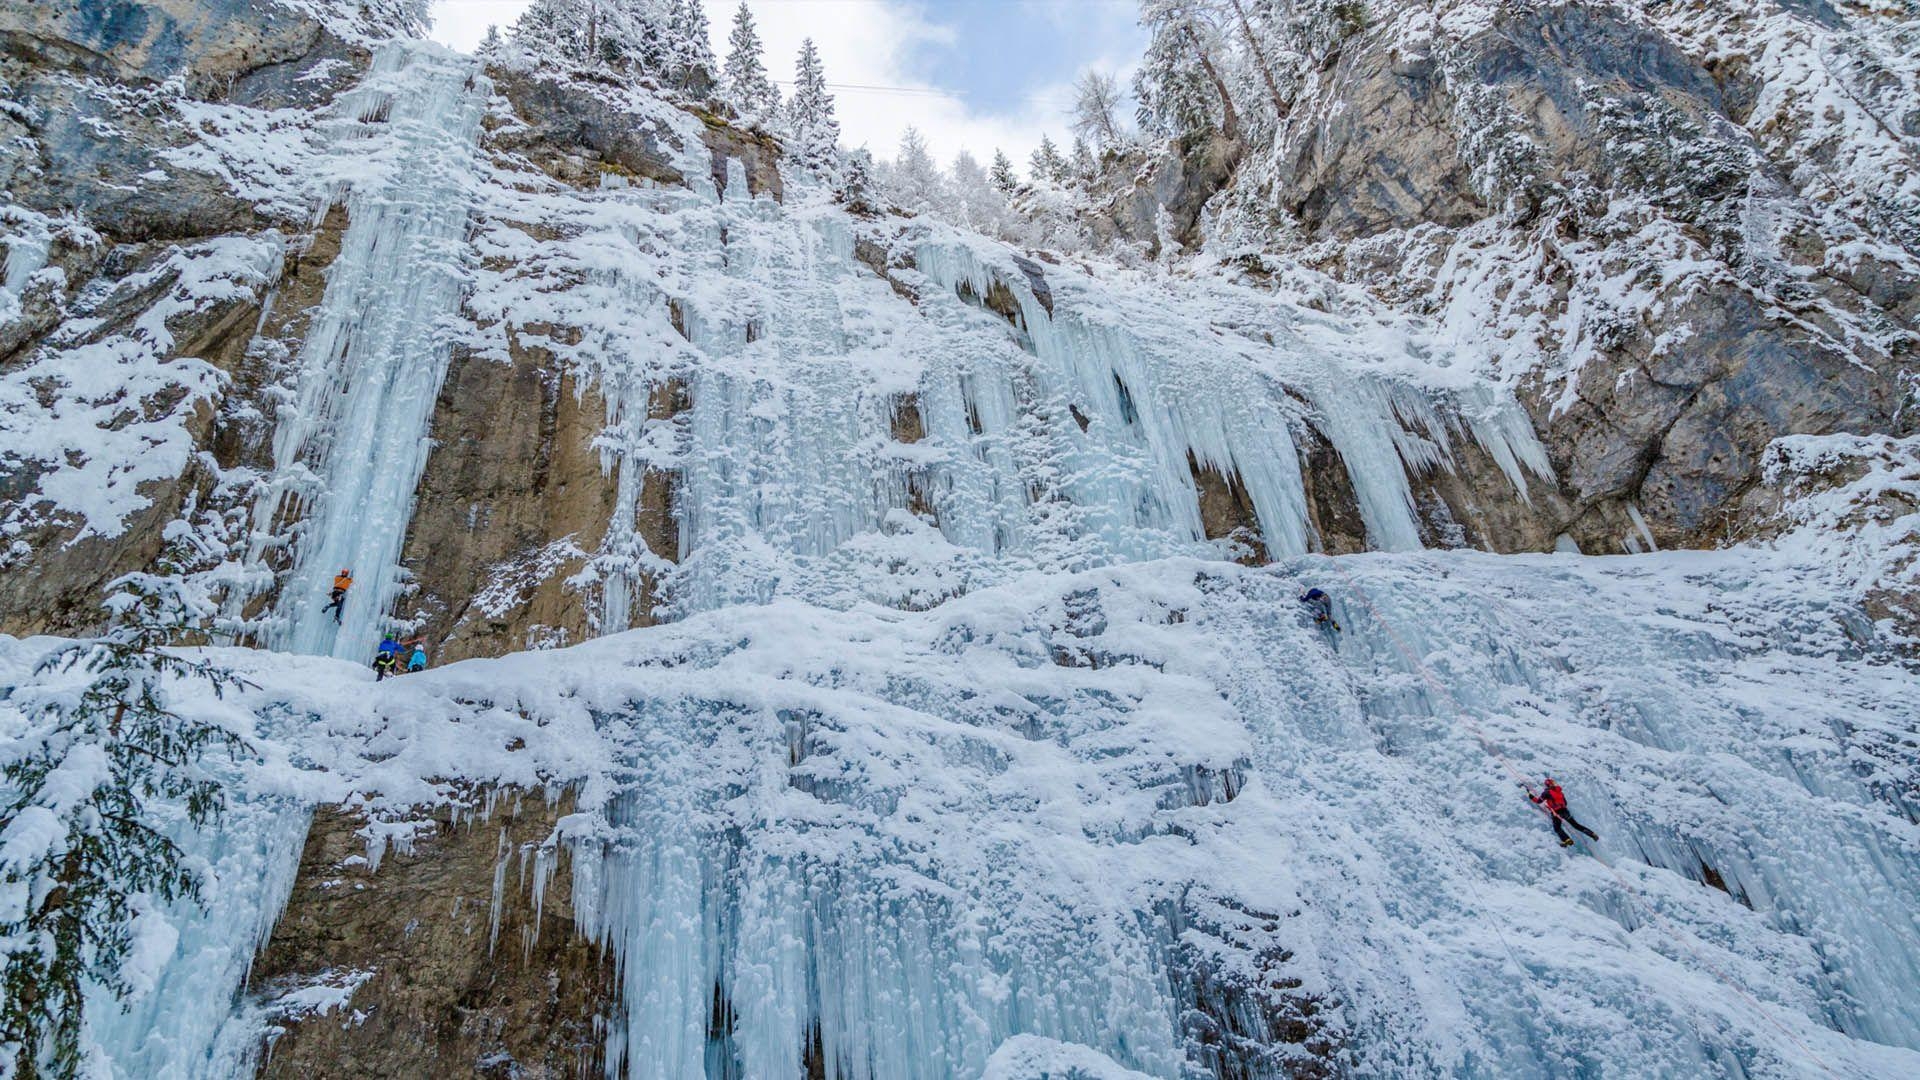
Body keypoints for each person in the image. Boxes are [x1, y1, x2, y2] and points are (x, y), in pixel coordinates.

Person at [1530, 777, 1600, 847]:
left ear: (1547, 785)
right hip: (1565, 811)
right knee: (1576, 825)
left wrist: (1530, 796)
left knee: (1557, 828)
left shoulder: (1546, 793)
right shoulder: (1560, 792)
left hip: (1557, 812)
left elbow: (1539, 801)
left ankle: (1567, 840)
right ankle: (1592, 834)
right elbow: (1565, 803)